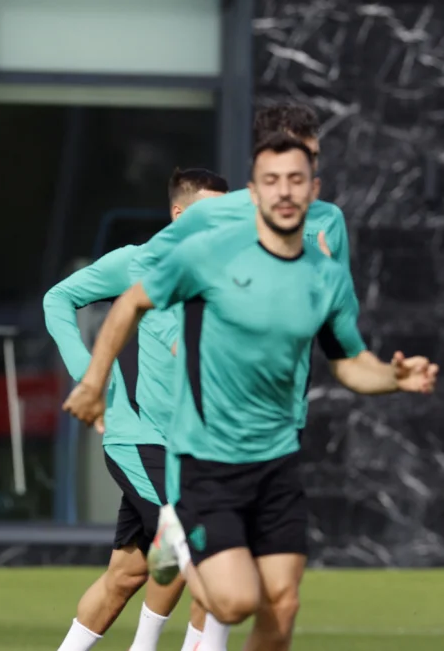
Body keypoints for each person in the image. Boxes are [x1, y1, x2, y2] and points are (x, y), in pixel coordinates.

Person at [62, 134, 437, 650]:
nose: (284, 192)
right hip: (200, 457)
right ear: (253, 193)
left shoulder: (324, 276)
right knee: (229, 597)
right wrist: (93, 382)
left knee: (273, 604)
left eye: (296, 181)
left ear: (315, 192)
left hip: (274, 462)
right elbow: (128, 306)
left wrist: (392, 378)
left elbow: (350, 364)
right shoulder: (198, 260)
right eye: (271, 181)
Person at [122, 102, 349, 651]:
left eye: (313, 162)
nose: (305, 177)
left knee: (280, 602)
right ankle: (179, 540)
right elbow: (148, 282)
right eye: (294, 161)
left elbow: (328, 321)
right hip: (213, 431)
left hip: (282, 422)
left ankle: (179, 538)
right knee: (233, 588)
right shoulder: (214, 220)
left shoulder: (330, 224)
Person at [43, 169, 227, 651]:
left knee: (128, 574)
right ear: (179, 214)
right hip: (141, 438)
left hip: (192, 447)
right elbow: (58, 298)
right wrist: (91, 377)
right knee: (204, 549)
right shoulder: (138, 261)